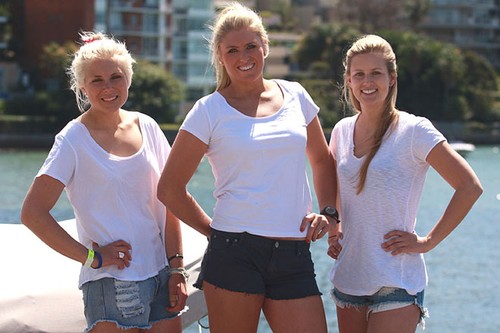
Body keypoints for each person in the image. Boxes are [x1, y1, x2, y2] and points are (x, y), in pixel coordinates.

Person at [157, 3, 338, 333]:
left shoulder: (296, 95)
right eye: (233, 50)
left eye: (251, 46)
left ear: (265, 46)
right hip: (233, 253)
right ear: (221, 57)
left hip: (294, 251)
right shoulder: (208, 111)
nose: (244, 57)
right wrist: (213, 231)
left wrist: (330, 211)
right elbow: (169, 189)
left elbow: (323, 160)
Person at [20, 32, 188, 333]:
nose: (108, 87)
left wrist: (177, 267)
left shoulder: (147, 126)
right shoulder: (72, 140)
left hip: (161, 274)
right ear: (83, 87)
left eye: (116, 77)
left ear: (129, 79)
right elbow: (32, 213)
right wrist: (92, 258)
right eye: (97, 80)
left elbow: (170, 202)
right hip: (111, 283)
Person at [326, 34, 483, 333]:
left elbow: (469, 187)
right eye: (359, 74)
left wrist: (428, 242)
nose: (367, 81)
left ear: (392, 78)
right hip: (349, 276)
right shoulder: (341, 131)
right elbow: (335, 190)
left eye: (376, 73)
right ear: (348, 80)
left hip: (395, 280)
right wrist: (335, 229)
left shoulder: (415, 130)